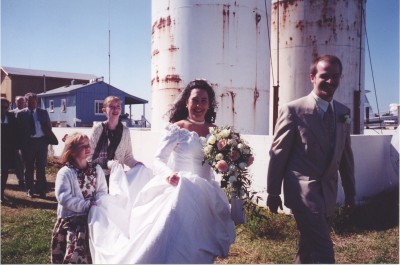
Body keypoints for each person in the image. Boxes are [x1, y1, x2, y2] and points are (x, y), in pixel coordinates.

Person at [88, 79, 235, 264]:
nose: (199, 105)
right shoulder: (176, 129)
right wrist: (168, 174)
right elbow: (158, 159)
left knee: (201, 248)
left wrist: (236, 161)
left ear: (209, 104)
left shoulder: (217, 132)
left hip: (206, 195)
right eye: (195, 100)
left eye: (203, 101)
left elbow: (221, 162)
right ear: (187, 102)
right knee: (176, 245)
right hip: (180, 190)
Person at [266, 54, 356, 263]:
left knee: (308, 248)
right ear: (312, 77)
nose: (331, 81)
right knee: (324, 250)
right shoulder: (293, 110)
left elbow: (345, 156)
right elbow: (278, 154)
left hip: (328, 193)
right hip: (302, 192)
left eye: (336, 76)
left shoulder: (343, 112)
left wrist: (350, 193)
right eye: (325, 76)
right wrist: (272, 191)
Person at [51, 132, 108, 264]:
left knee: (92, 254)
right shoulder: (65, 172)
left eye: (88, 145)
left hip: (93, 218)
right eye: (82, 146)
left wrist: (97, 203)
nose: (87, 148)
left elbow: (102, 191)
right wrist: (86, 205)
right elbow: (64, 197)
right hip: (73, 222)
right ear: (72, 151)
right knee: (75, 256)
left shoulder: (96, 169)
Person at [89, 96, 141, 188]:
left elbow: (127, 156)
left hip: (117, 179)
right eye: (111, 106)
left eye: (118, 106)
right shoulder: (97, 129)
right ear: (104, 110)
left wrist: (136, 164)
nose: (115, 109)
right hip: (98, 178)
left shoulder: (125, 131)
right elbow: (89, 156)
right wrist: (108, 164)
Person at [16, 92, 55, 198]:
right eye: (29, 102)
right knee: (28, 168)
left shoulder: (43, 113)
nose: (32, 104)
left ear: (37, 102)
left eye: (34, 102)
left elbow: (48, 127)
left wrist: (47, 141)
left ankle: (41, 190)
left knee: (41, 167)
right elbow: (18, 132)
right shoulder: (20, 114)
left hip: (41, 143)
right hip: (28, 144)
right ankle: (29, 189)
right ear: (26, 102)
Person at [1, 98, 18, 202]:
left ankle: (1, 194)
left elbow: (15, 134)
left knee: (3, 172)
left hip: (6, 151)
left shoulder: (11, 117)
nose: (2, 109)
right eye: (0, 107)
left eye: (5, 107)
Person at [12, 95, 26, 187]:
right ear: (15, 102)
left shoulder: (28, 112)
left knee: (26, 161)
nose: (20, 103)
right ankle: (20, 179)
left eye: (22, 101)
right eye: (18, 101)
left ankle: (26, 177)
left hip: (27, 140)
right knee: (18, 161)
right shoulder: (11, 113)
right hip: (16, 141)